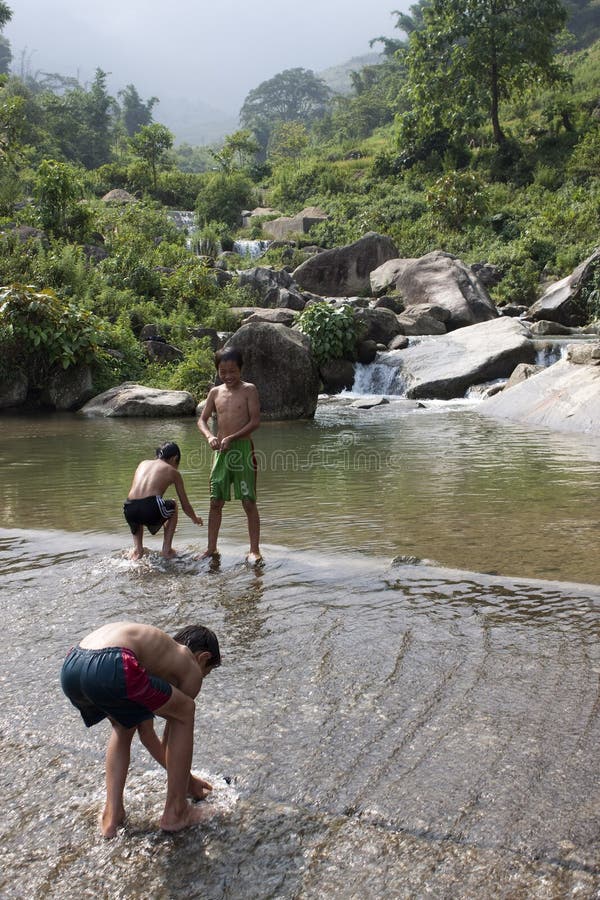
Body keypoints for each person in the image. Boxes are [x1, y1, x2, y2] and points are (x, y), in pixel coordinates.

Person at [60, 620, 221, 837]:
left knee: (124, 726)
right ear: (204, 658)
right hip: (113, 663)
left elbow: (147, 735)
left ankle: (112, 815)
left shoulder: (155, 653)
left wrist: (189, 780)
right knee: (185, 711)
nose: (201, 678)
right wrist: (188, 784)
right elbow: (172, 734)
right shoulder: (189, 663)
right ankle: (176, 812)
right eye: (206, 673)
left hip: (73, 665)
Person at [197, 348, 262, 564]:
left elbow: (255, 422)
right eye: (223, 372)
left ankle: (254, 550)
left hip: (243, 450)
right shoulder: (215, 392)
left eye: (232, 371)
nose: (228, 376)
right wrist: (208, 437)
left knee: (248, 501)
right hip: (221, 453)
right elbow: (202, 420)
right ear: (217, 371)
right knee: (215, 501)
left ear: (241, 369)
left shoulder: (249, 390)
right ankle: (211, 548)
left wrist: (232, 437)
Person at [123, 441, 203, 559]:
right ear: (175, 458)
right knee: (173, 504)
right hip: (149, 507)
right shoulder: (173, 472)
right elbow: (185, 505)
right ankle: (167, 550)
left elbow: (139, 498)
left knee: (138, 509)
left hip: (129, 508)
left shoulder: (143, 463)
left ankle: (138, 550)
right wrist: (195, 518)